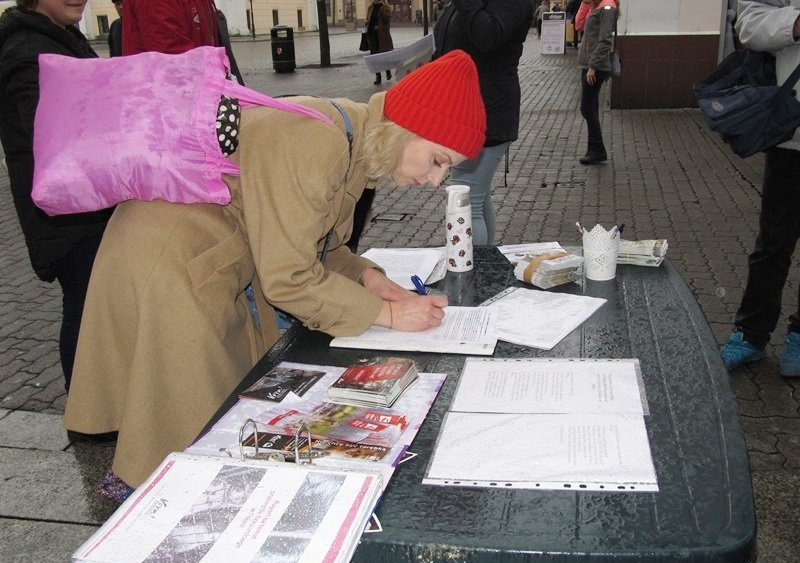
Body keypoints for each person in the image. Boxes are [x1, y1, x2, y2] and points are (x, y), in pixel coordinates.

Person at [63, 49, 486, 498]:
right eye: (438, 160)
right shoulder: (319, 142)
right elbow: (288, 277)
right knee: (179, 421)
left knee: (198, 415)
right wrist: (390, 316)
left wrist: (369, 279)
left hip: (195, 257)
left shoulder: (350, 144)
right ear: (408, 129)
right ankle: (142, 511)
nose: (438, 180)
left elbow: (321, 245)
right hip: (173, 263)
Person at [0, 0, 113, 390]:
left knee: (94, 305)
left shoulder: (58, 35)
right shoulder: (26, 47)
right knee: (84, 305)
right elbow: (47, 128)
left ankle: (97, 404)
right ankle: (85, 414)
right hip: (64, 211)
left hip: (81, 201)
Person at [719, 0, 800, 376]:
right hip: (792, 134)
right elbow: (749, 24)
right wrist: (796, 23)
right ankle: (752, 334)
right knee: (773, 243)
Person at [433, 0, 532, 246]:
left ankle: (474, 274)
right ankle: (486, 267)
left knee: (466, 201)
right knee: (476, 196)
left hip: (487, 112)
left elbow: (488, 36)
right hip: (465, 109)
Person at [574, 0, 619, 165]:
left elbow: (605, 40)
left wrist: (593, 66)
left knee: (586, 107)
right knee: (591, 107)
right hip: (589, 65)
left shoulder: (607, 8)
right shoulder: (596, 7)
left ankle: (598, 149)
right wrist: (587, 5)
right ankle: (593, 148)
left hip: (595, 67)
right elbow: (579, 25)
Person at [366, 0, 393, 85]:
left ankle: (387, 71)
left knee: (383, 55)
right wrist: (367, 22)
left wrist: (380, 27)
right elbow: (368, 19)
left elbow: (387, 18)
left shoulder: (385, 8)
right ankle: (378, 76)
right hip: (372, 35)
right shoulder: (370, 8)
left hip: (382, 36)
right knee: (374, 56)